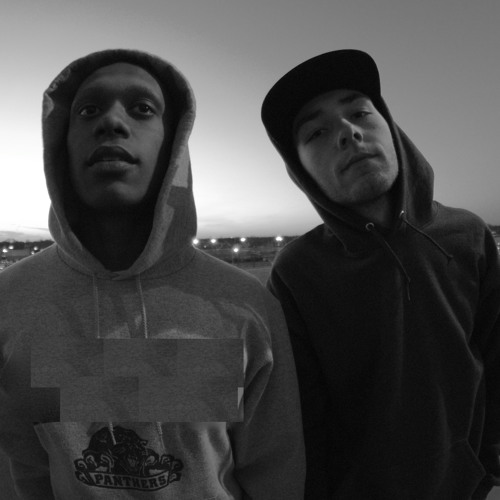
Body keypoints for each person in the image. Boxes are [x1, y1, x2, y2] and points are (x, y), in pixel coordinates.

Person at [0, 49, 305, 499]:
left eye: (142, 108)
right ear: (61, 144)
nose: (112, 121)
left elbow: (275, 471)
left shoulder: (244, 304)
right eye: (88, 110)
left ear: (173, 146)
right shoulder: (11, 300)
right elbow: (23, 468)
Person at [261, 49, 500, 499]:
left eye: (360, 113)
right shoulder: (297, 271)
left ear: (390, 127)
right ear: (300, 170)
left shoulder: (467, 234)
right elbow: (304, 419)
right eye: (316, 132)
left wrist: (491, 474)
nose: (347, 132)